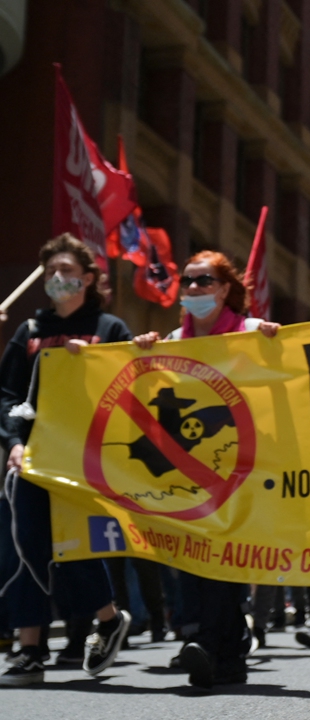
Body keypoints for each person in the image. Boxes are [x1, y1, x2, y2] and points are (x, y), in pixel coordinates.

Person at [131, 250, 280, 688]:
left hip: (240, 469)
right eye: (188, 281)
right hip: (186, 471)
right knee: (195, 559)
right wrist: (142, 354)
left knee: (224, 560)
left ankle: (210, 644)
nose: (193, 289)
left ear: (225, 289)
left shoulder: (251, 332)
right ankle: (223, 649)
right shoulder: (172, 340)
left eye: (204, 281)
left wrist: (275, 344)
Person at [0, 234, 134, 686]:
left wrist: (95, 362)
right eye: (51, 271)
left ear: (89, 278)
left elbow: (133, 384)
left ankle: (109, 619)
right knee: (25, 547)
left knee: (76, 546)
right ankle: (30, 647)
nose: (58, 278)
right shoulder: (30, 332)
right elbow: (7, 394)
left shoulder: (110, 329)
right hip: (33, 457)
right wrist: (14, 442)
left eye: (67, 271)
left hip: (85, 459)